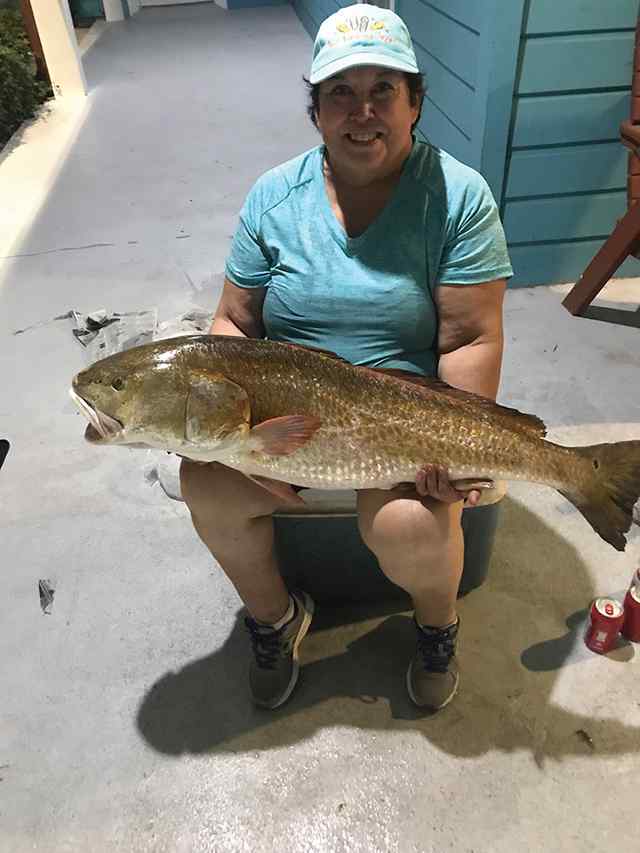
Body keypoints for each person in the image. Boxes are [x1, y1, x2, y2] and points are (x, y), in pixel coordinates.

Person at [180, 4, 513, 713]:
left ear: (415, 101)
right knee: (203, 482)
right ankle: (275, 619)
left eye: (383, 90)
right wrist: (219, 426)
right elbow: (235, 321)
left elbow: (468, 338)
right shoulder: (275, 197)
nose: (363, 112)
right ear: (317, 110)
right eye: (340, 92)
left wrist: (461, 445)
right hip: (280, 414)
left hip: (399, 419)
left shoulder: (459, 197)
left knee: (411, 524)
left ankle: (437, 625)